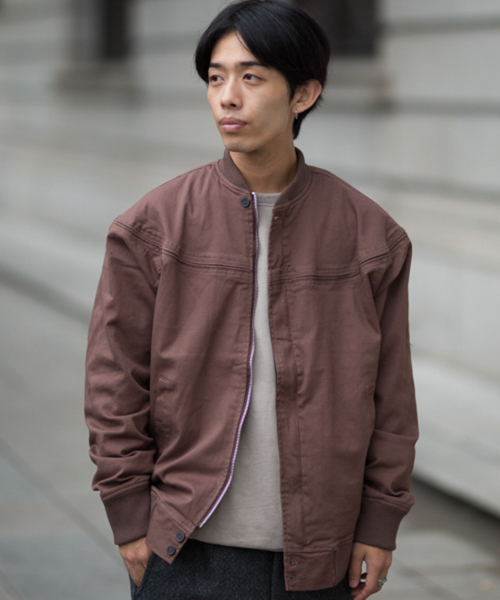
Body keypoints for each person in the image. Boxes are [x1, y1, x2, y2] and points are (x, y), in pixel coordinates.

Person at [84, 1, 418, 599]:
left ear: (303, 94)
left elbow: (391, 395)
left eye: (251, 77)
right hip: (185, 547)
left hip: (322, 557)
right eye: (216, 78)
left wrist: (379, 522)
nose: (227, 98)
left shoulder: (369, 236)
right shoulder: (152, 227)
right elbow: (114, 381)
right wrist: (129, 515)